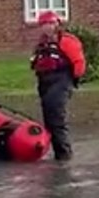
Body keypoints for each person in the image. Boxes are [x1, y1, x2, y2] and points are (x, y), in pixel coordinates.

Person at [29, 11, 86, 160]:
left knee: (56, 119)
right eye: (44, 24)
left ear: (57, 25)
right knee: (48, 120)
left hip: (61, 81)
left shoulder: (67, 41)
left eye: (50, 24)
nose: (47, 27)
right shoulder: (42, 44)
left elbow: (78, 63)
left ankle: (64, 155)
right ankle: (58, 154)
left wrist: (71, 81)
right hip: (45, 82)